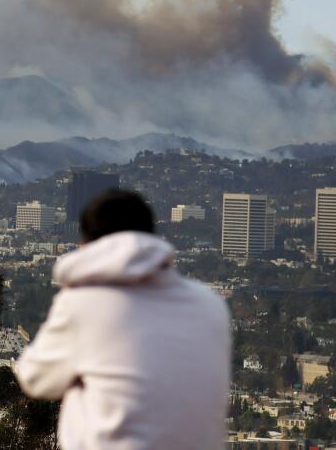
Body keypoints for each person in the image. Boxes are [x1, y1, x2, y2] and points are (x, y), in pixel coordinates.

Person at [14, 189, 230, 449]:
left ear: (86, 245)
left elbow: (35, 378)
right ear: (151, 237)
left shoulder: (84, 302)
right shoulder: (209, 304)